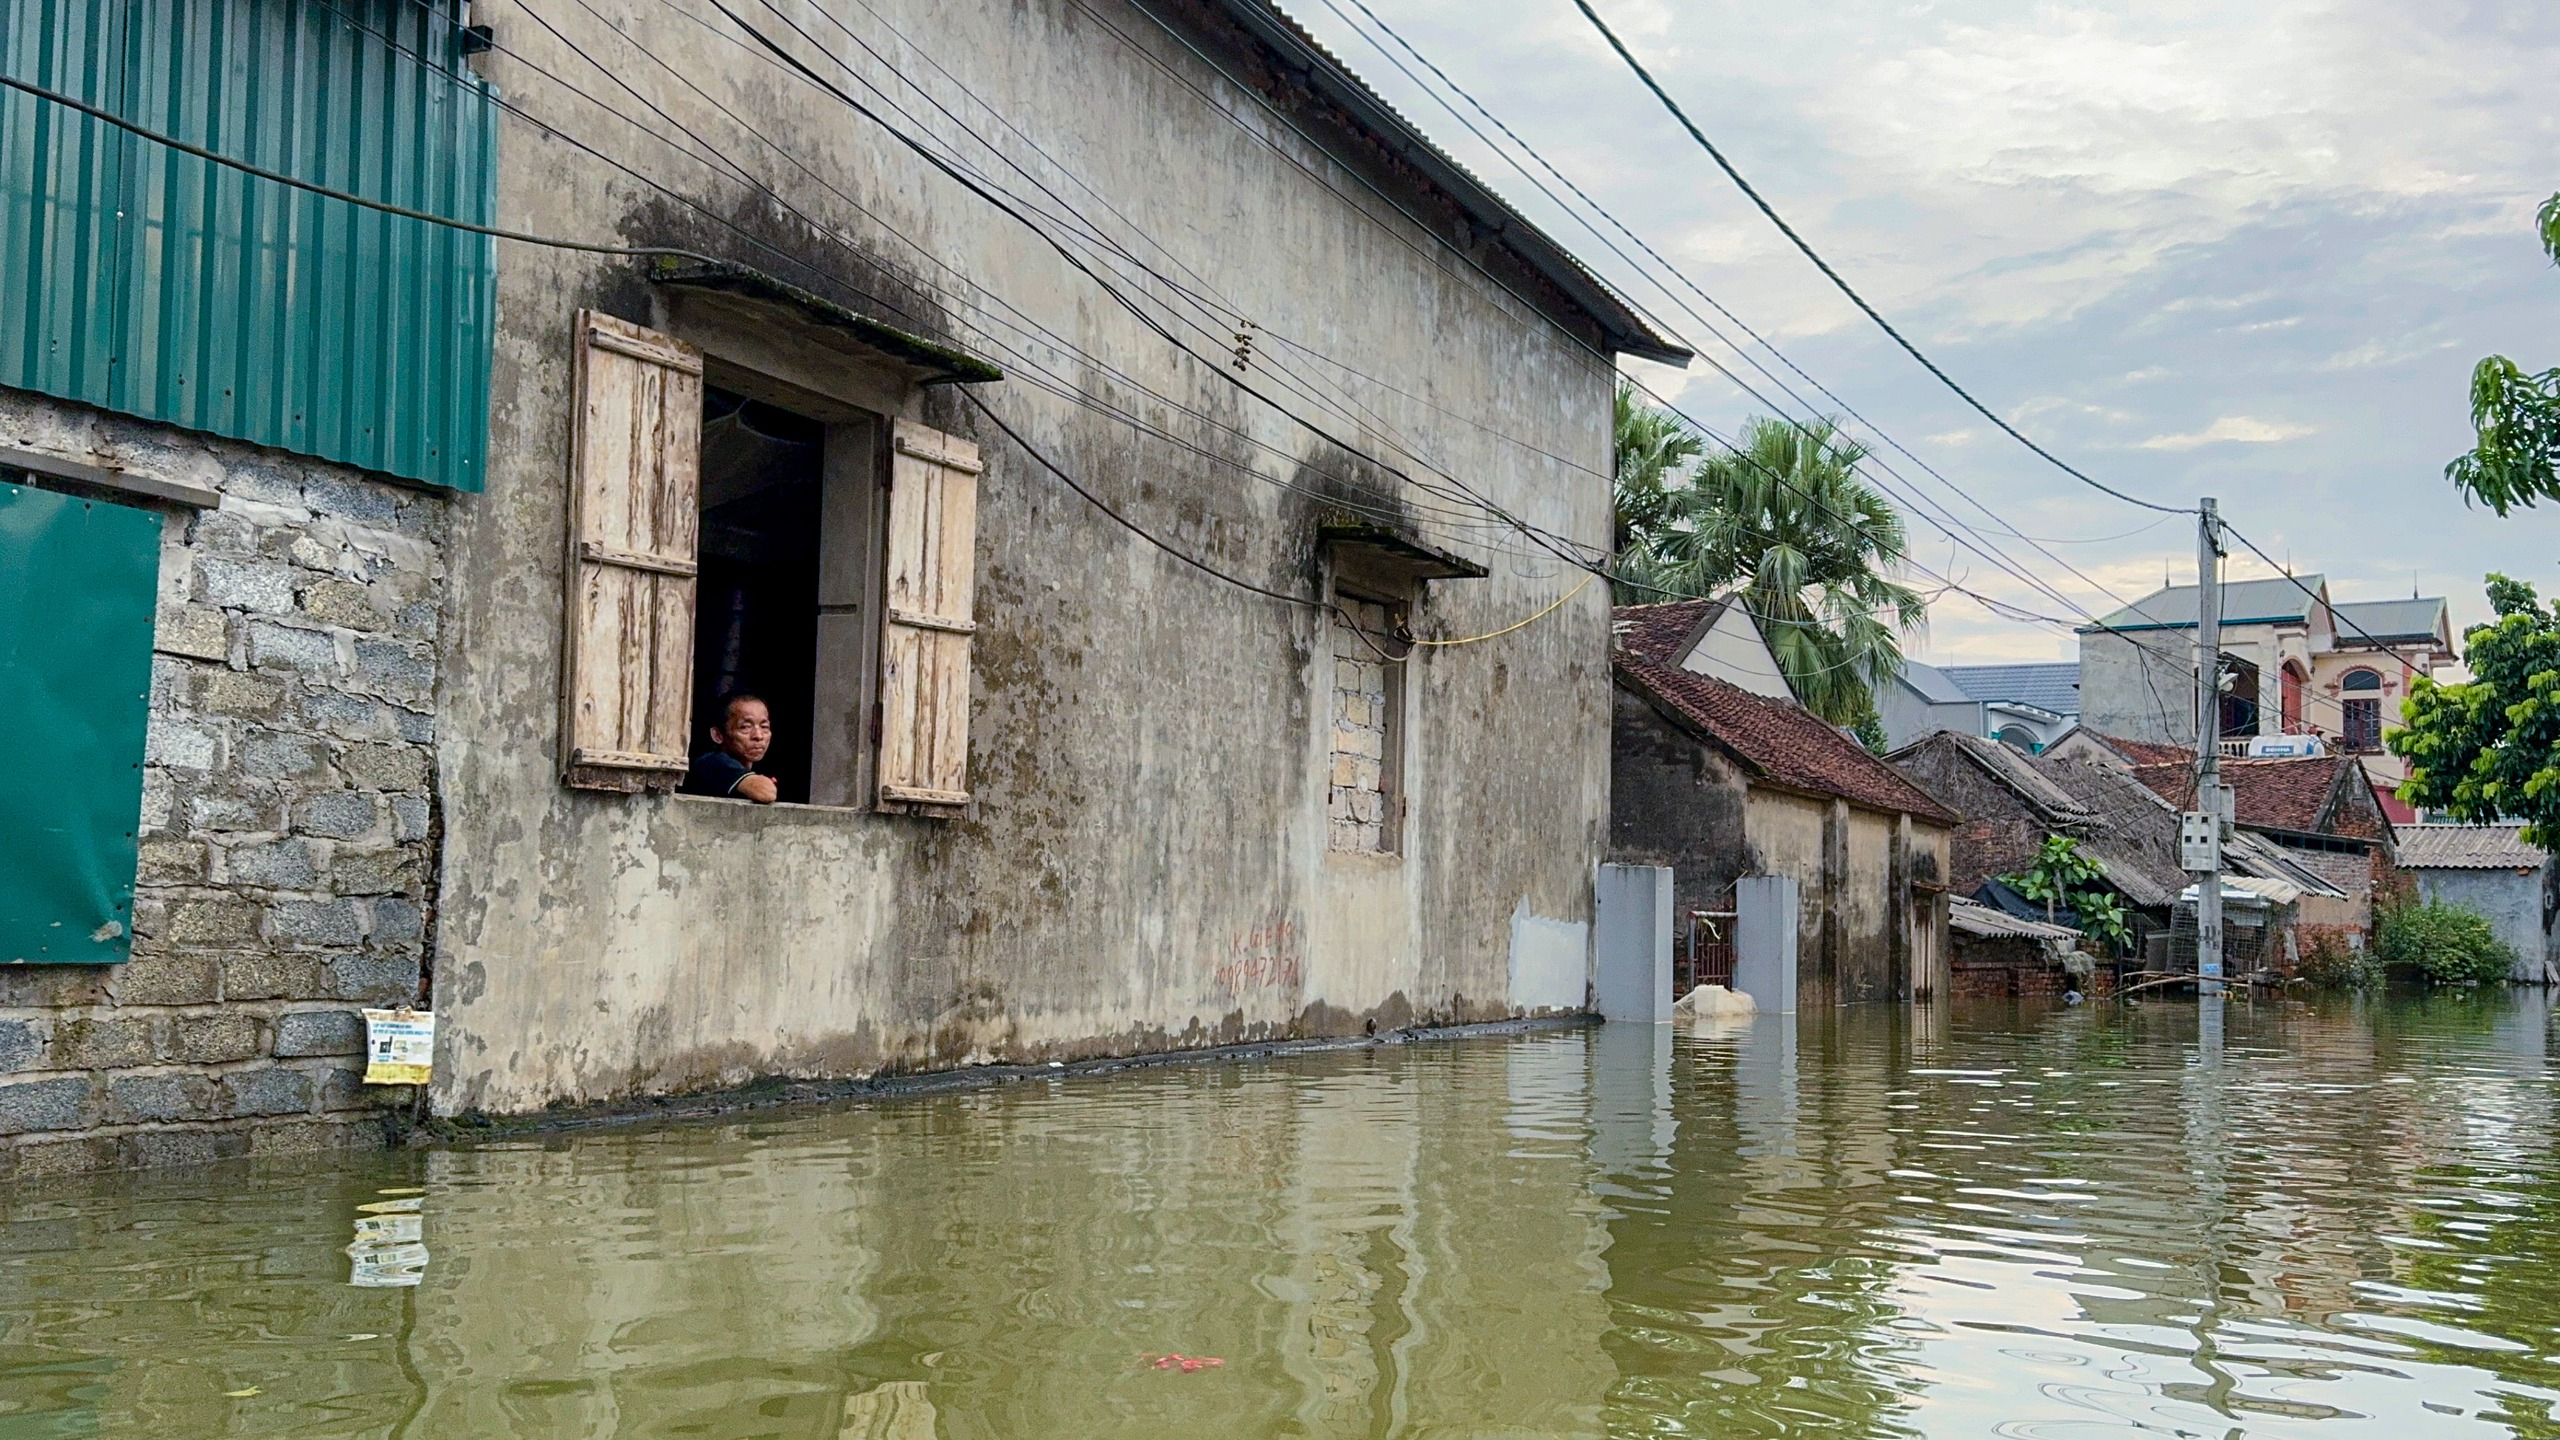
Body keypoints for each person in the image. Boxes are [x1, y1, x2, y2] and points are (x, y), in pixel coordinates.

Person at [683, 692, 779, 803]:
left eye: (764, 727)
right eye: (745, 727)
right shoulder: (712, 763)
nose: (758, 735)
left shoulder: (749, 765)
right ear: (718, 735)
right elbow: (766, 793)